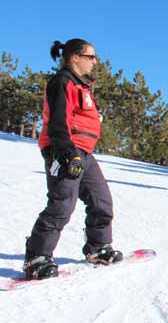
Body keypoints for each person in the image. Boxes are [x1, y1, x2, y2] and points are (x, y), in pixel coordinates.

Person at [23, 39, 123, 280]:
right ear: (74, 57)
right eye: (91, 56)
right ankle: (37, 256)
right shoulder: (63, 82)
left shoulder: (82, 86)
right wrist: (68, 153)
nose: (95, 61)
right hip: (65, 149)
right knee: (62, 204)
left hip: (84, 152)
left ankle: (98, 247)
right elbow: (58, 121)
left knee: (101, 201)